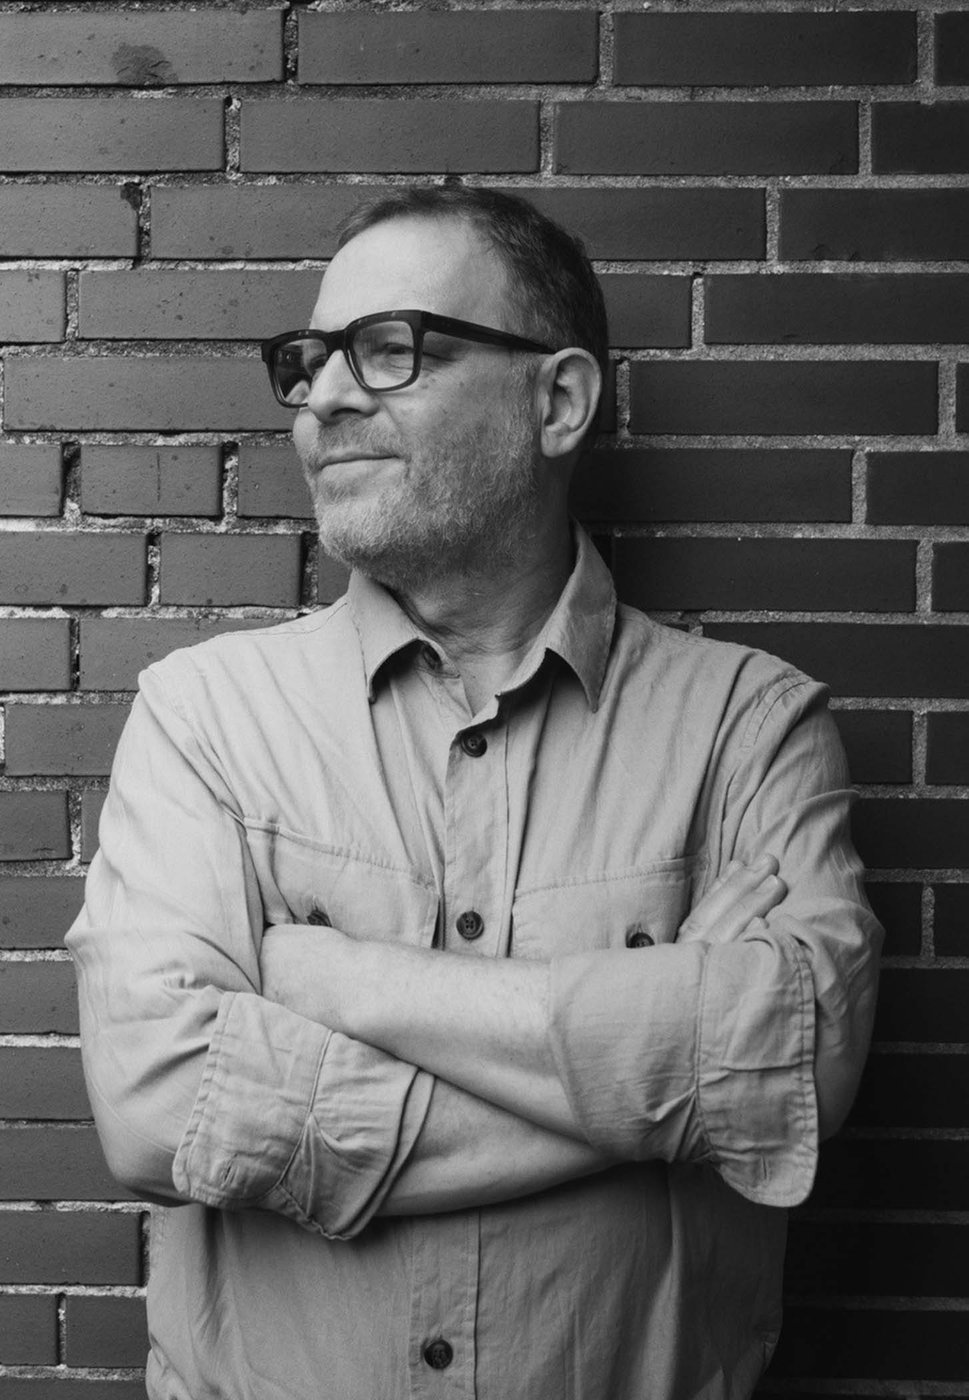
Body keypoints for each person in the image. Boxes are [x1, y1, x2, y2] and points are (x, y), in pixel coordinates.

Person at [68, 186, 882, 1400]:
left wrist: (344, 981)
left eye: (391, 349)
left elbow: (803, 1072)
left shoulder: (747, 730)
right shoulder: (205, 719)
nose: (326, 398)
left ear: (556, 401)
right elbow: (155, 1109)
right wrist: (669, 1089)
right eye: (310, 361)